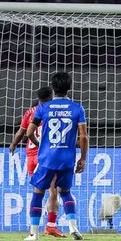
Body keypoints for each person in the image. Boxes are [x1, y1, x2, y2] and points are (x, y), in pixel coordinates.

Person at [24, 72, 88, 241]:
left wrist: (40, 144)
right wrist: (83, 158)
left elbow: (29, 132)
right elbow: (83, 136)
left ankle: (34, 234)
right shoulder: (77, 108)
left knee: (38, 193)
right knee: (66, 192)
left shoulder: (43, 108)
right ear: (69, 88)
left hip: (46, 158)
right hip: (67, 160)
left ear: (53, 88)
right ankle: (74, 228)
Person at [9, 87, 66, 238]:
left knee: (37, 192)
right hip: (45, 157)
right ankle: (50, 226)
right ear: (51, 96)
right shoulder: (52, 111)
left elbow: (22, 133)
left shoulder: (29, 112)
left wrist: (13, 145)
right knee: (54, 190)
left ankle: (33, 231)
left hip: (30, 157)